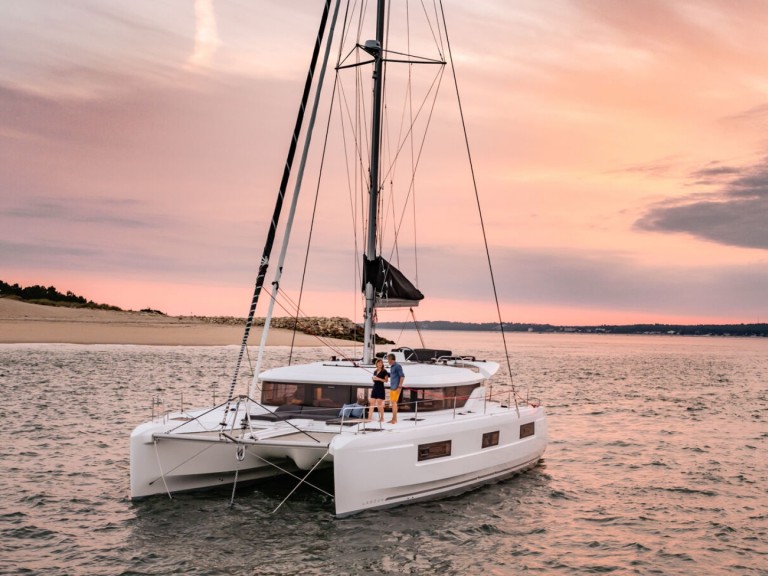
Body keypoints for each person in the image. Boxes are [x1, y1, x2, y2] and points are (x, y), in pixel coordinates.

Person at [387, 353, 404, 424]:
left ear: (391, 359)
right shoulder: (392, 367)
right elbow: (392, 375)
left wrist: (399, 386)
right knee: (393, 403)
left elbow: (402, 376)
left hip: (396, 388)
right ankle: (393, 419)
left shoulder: (397, 366)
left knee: (394, 403)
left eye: (388, 360)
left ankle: (395, 419)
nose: (388, 361)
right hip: (392, 388)